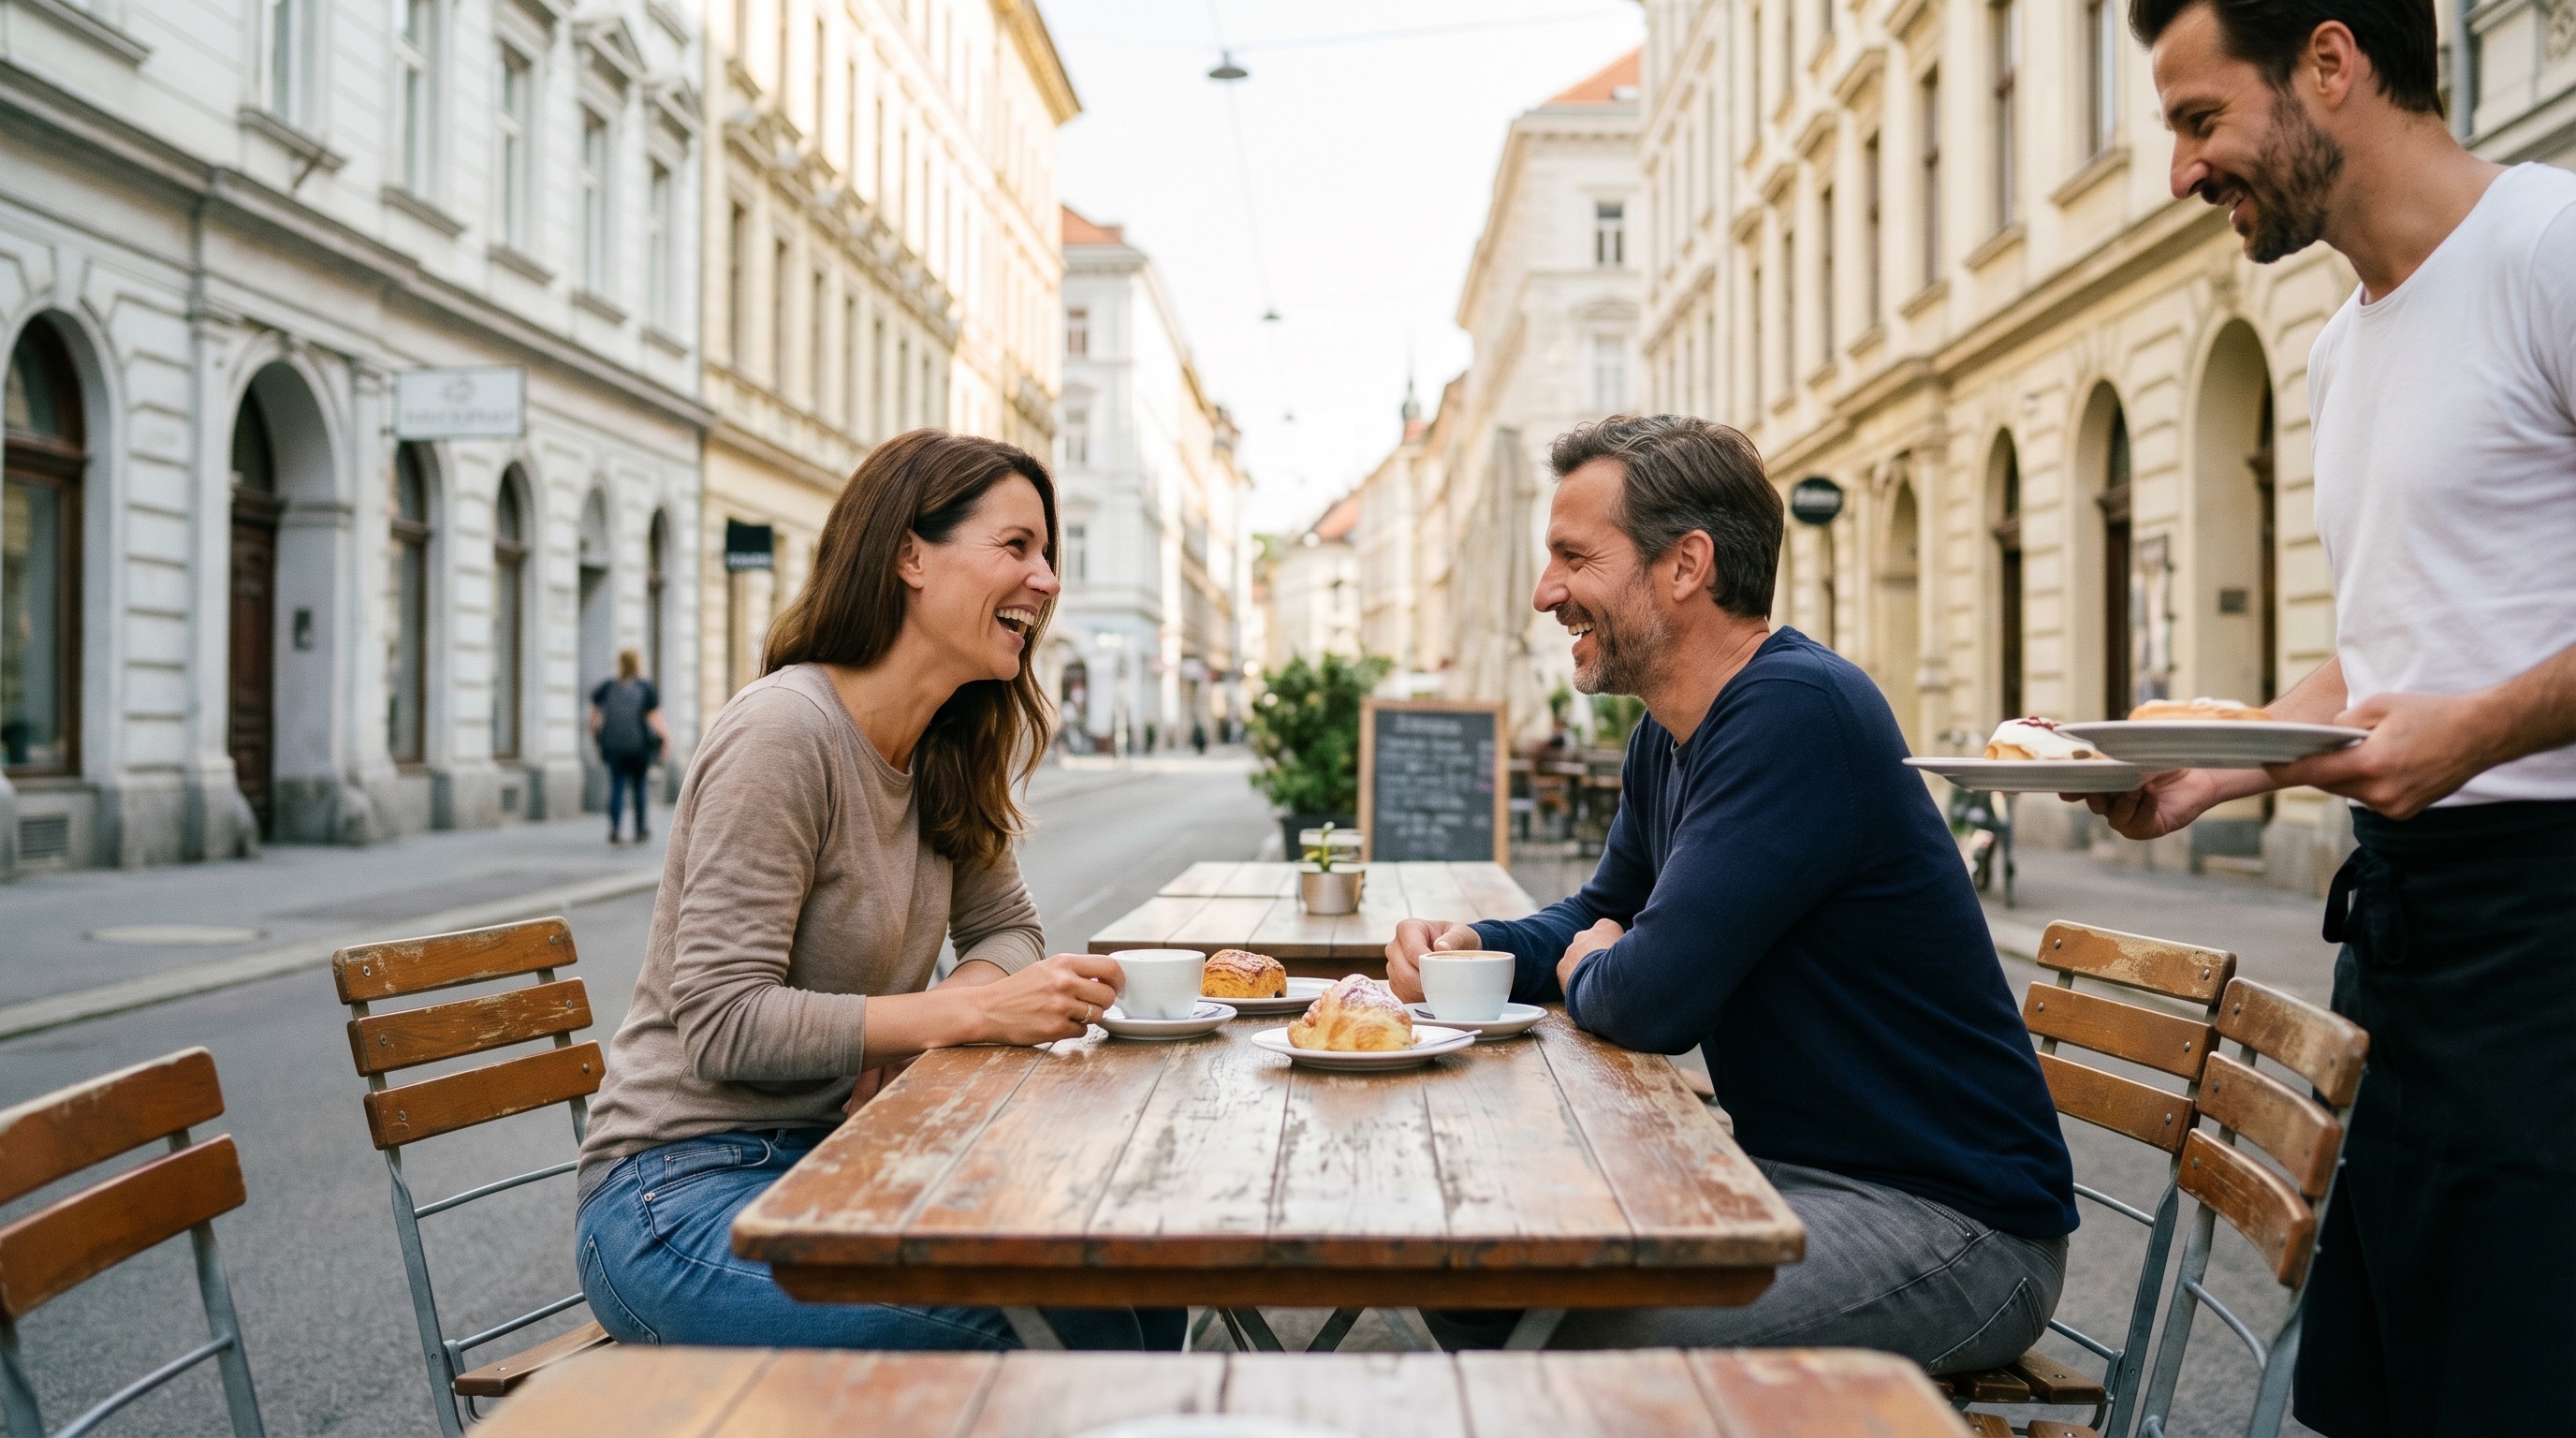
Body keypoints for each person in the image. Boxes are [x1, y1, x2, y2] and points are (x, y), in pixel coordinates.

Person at [2106, 5, 2576, 1432]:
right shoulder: (2335, 352)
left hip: (2553, 939)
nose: (2183, 172)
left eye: (2200, 119)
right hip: (2404, 942)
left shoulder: (2551, 250)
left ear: (2330, 61)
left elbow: (2457, 701)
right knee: (2384, 1397)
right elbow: (2386, 655)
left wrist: (2480, 732)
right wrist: (2219, 764)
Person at [1389, 414, 2076, 1368]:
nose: (1546, 592)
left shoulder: (1794, 711)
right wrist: (1477, 946)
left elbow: (1650, 999)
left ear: (1686, 565)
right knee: (1475, 1273)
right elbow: (1599, 919)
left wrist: (1597, 964)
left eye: (1574, 558)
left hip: (1949, 1226)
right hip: (1786, 1176)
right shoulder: (1668, 732)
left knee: (1558, 1331)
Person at [575, 430, 1179, 1351]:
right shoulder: (785, 732)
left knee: (1127, 1274)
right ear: (909, 556)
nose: (1047, 579)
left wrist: (935, 1016)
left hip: (846, 1157)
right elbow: (721, 1020)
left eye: (1047, 553)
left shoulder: (945, 742)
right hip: (679, 1198)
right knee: (1027, 1334)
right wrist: (957, 1017)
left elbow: (1008, 928)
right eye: (1016, 546)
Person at [590, 650, 666, 844]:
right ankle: (640, 831)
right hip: (639, 747)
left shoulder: (608, 686)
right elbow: (654, 717)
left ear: (620, 664)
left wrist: (598, 738)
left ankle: (614, 830)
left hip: (614, 746)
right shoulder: (644, 687)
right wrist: (665, 738)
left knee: (616, 786)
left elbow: (595, 718)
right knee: (639, 787)